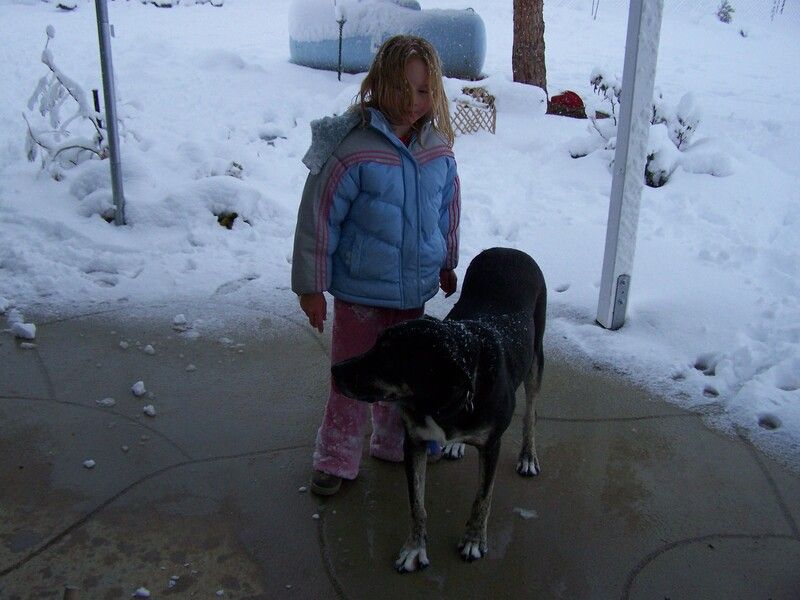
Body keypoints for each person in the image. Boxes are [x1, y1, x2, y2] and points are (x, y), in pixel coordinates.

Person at [291, 35, 461, 496]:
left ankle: (394, 441)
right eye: (403, 90)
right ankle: (336, 456)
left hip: (412, 294)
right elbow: (319, 220)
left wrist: (447, 262)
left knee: (404, 377)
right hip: (360, 296)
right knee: (352, 376)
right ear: (379, 87)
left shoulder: (438, 150)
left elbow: (447, 212)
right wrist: (311, 286)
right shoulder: (352, 148)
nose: (413, 102)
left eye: (423, 92)